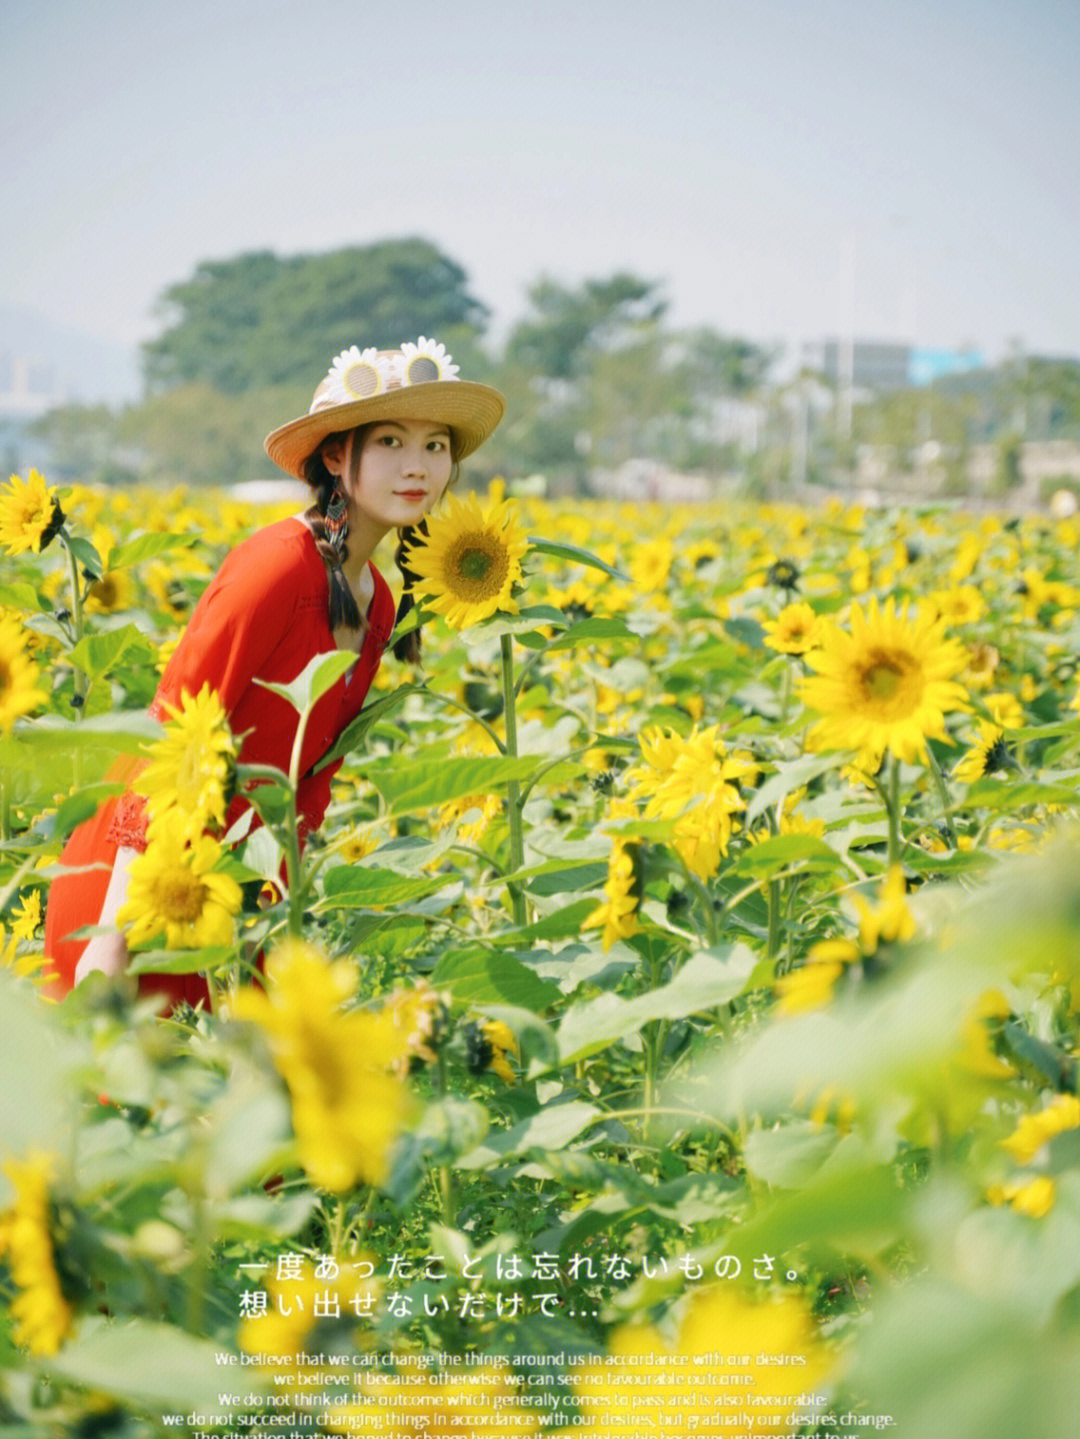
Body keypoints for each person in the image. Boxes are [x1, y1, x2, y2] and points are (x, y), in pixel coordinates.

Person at [43, 338, 505, 1008]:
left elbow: (308, 787)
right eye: (392, 442)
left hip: (240, 894)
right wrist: (113, 934)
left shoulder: (377, 602)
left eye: (436, 446)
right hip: (144, 879)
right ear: (336, 455)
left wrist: (277, 921)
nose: (419, 466)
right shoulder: (276, 567)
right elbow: (172, 738)